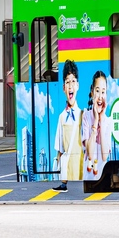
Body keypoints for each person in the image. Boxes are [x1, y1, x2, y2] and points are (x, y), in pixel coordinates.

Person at [53, 59, 83, 192]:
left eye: (73, 81)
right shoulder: (61, 117)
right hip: (68, 163)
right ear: (63, 88)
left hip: (80, 165)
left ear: (78, 86)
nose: (70, 86)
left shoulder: (83, 115)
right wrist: (57, 165)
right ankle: (64, 183)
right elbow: (60, 146)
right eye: (67, 82)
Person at [82, 70, 112, 179]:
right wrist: (95, 121)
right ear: (92, 92)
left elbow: (104, 156)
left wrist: (101, 120)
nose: (100, 96)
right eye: (97, 91)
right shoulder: (86, 116)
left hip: (103, 176)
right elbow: (90, 154)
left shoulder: (108, 121)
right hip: (88, 175)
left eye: (103, 92)